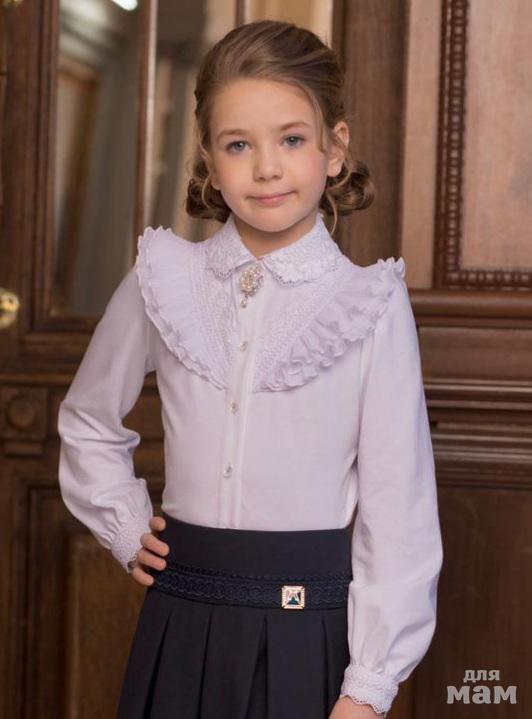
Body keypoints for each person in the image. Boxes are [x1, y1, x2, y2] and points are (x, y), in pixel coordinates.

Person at [57, 18, 443, 719]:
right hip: (178, 614)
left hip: (307, 628)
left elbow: (400, 509)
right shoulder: (164, 279)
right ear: (208, 159)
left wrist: (369, 685)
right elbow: (88, 418)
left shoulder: (367, 303)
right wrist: (123, 522)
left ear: (334, 149)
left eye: (291, 140)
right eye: (239, 144)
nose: (267, 168)